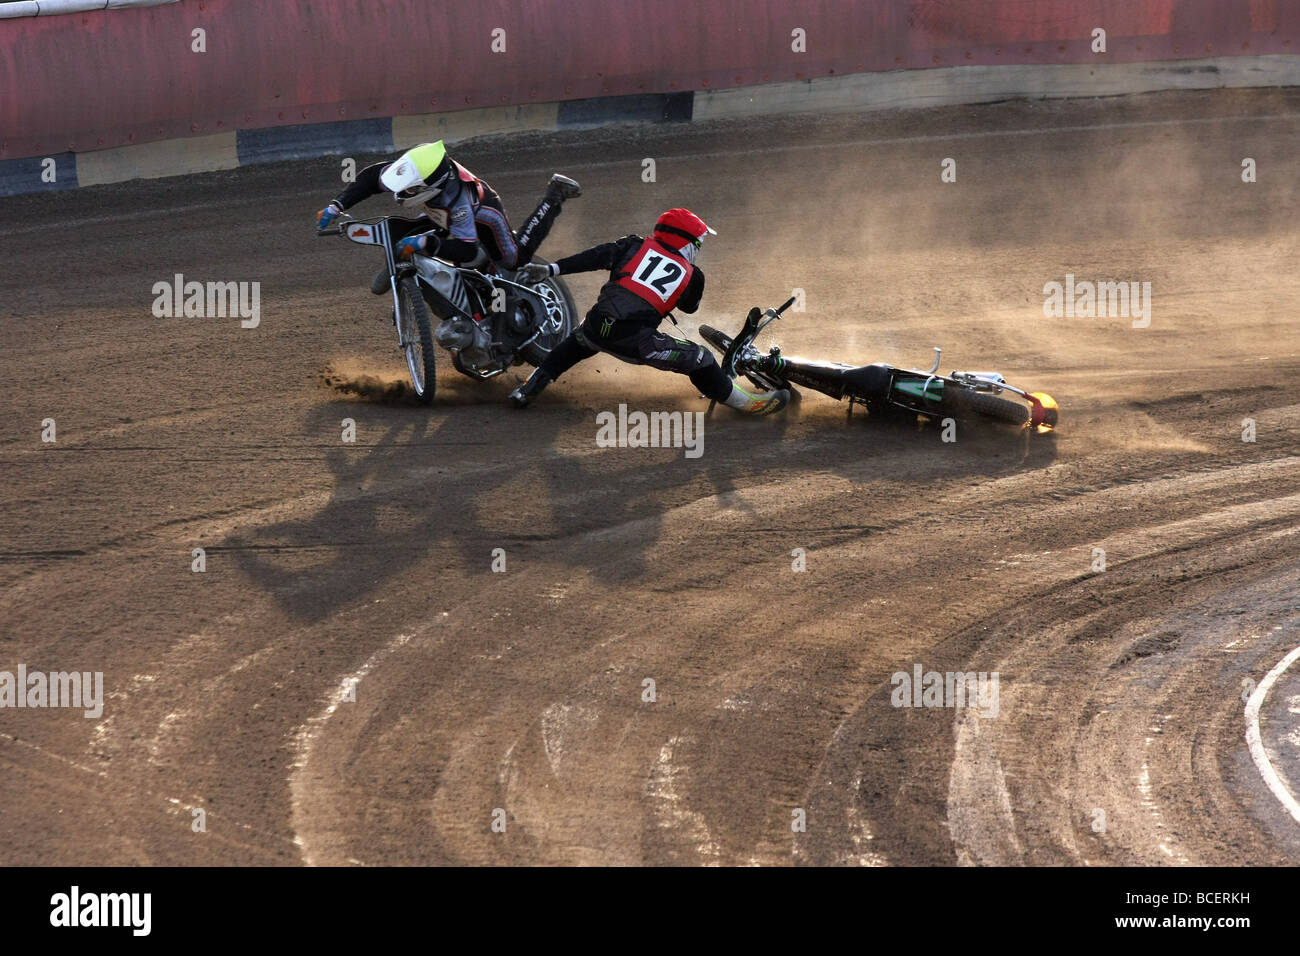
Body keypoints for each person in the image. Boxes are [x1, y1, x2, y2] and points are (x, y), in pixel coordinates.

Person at [508, 208, 789, 415]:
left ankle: (528, 389)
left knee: (578, 341)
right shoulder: (693, 274)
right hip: (635, 343)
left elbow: (594, 256)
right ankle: (749, 404)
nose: (699, 249)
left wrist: (552, 269)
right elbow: (689, 308)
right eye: (698, 243)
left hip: (596, 327)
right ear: (685, 241)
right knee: (700, 357)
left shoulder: (632, 245)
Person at [315, 139, 580, 292]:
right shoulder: (415, 171)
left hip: (481, 216)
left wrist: (426, 244)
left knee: (513, 259)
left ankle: (554, 196)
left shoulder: (459, 202)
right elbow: (372, 178)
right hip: (437, 213)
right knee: (402, 231)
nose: (400, 192)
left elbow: (466, 250)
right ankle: (400, 264)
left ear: (431, 186)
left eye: (410, 188)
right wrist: (337, 206)